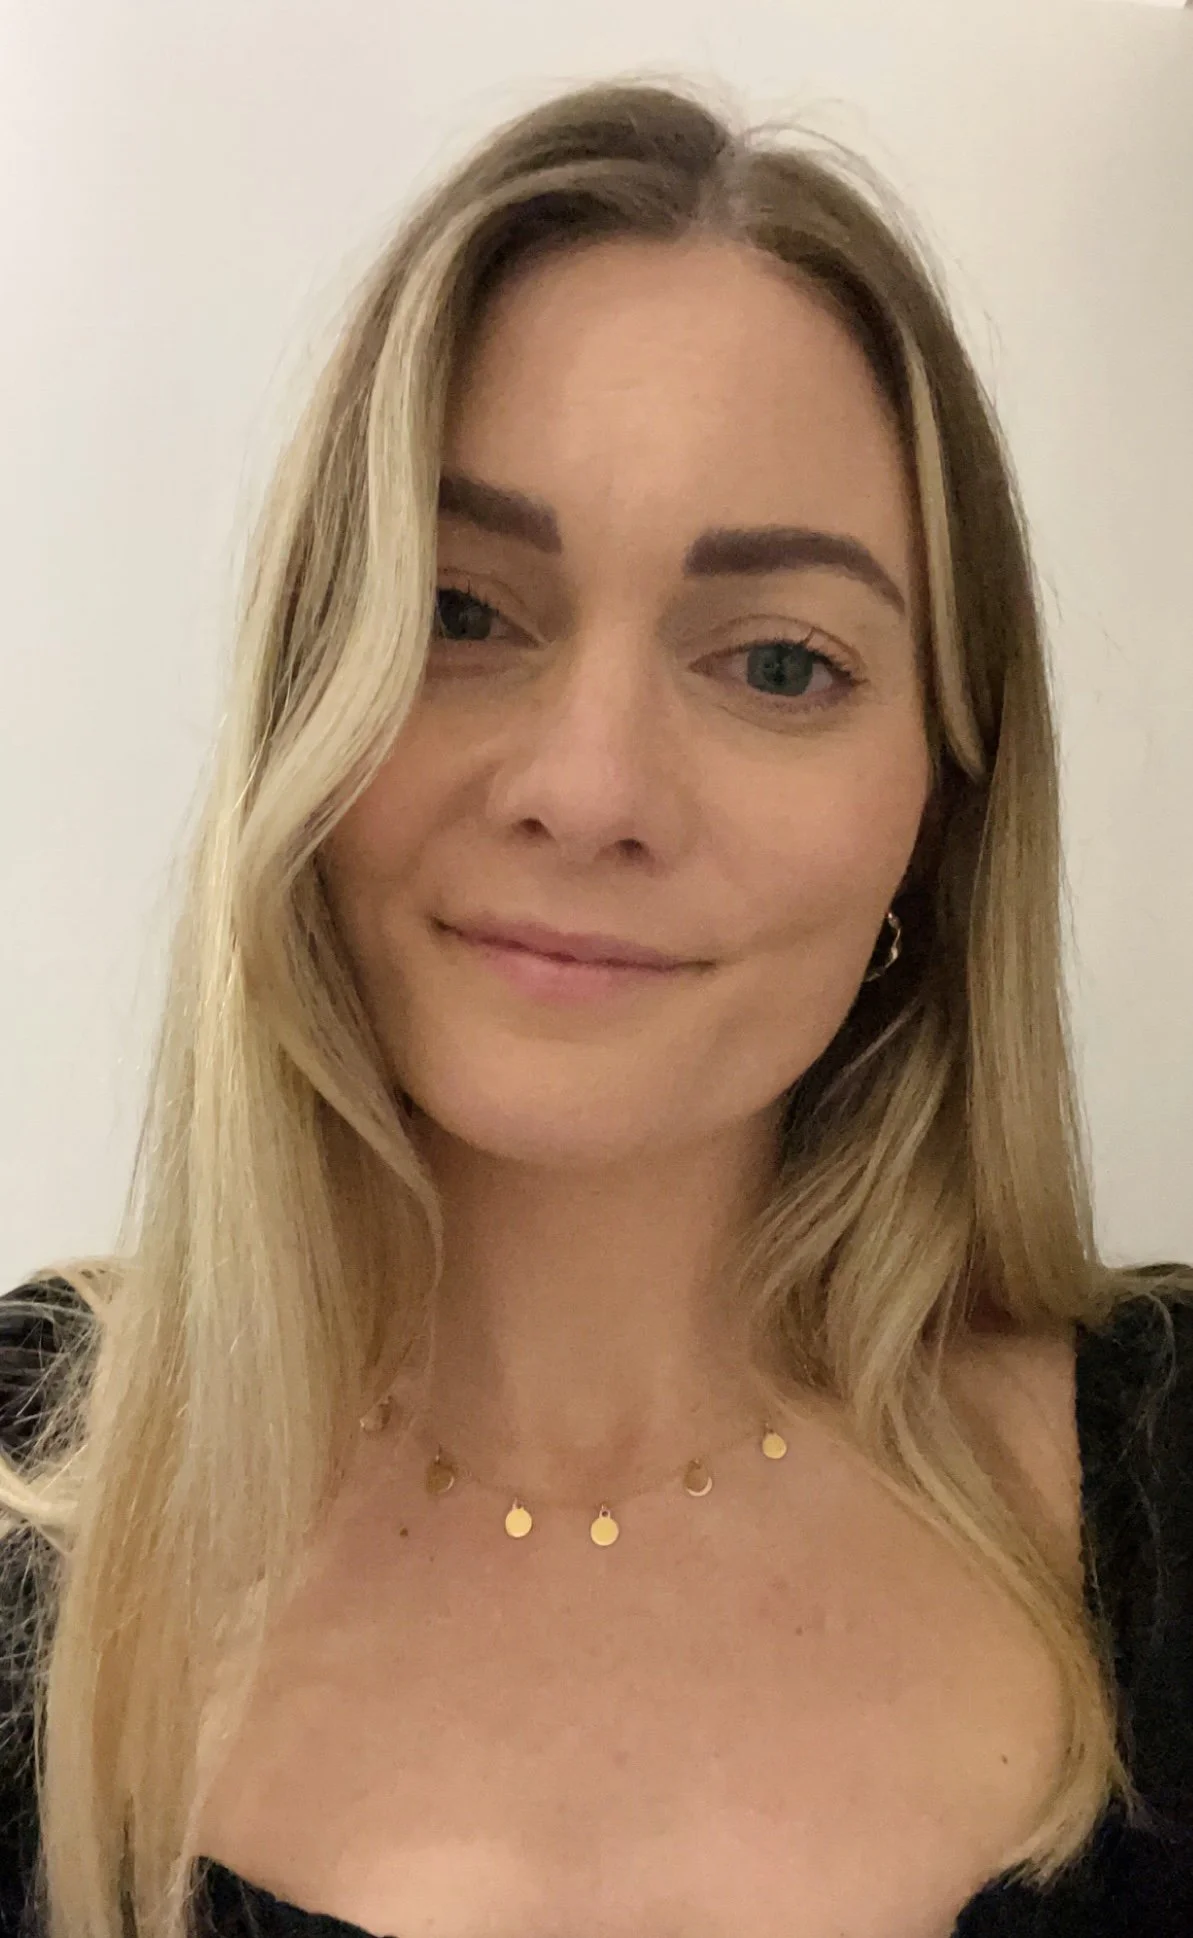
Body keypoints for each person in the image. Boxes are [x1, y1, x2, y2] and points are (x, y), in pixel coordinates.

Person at [1, 74, 1190, 1938]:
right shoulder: (28, 1486)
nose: (589, 785)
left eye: (778, 662)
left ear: (940, 809)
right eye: (463, 613)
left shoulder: (1167, 1481)